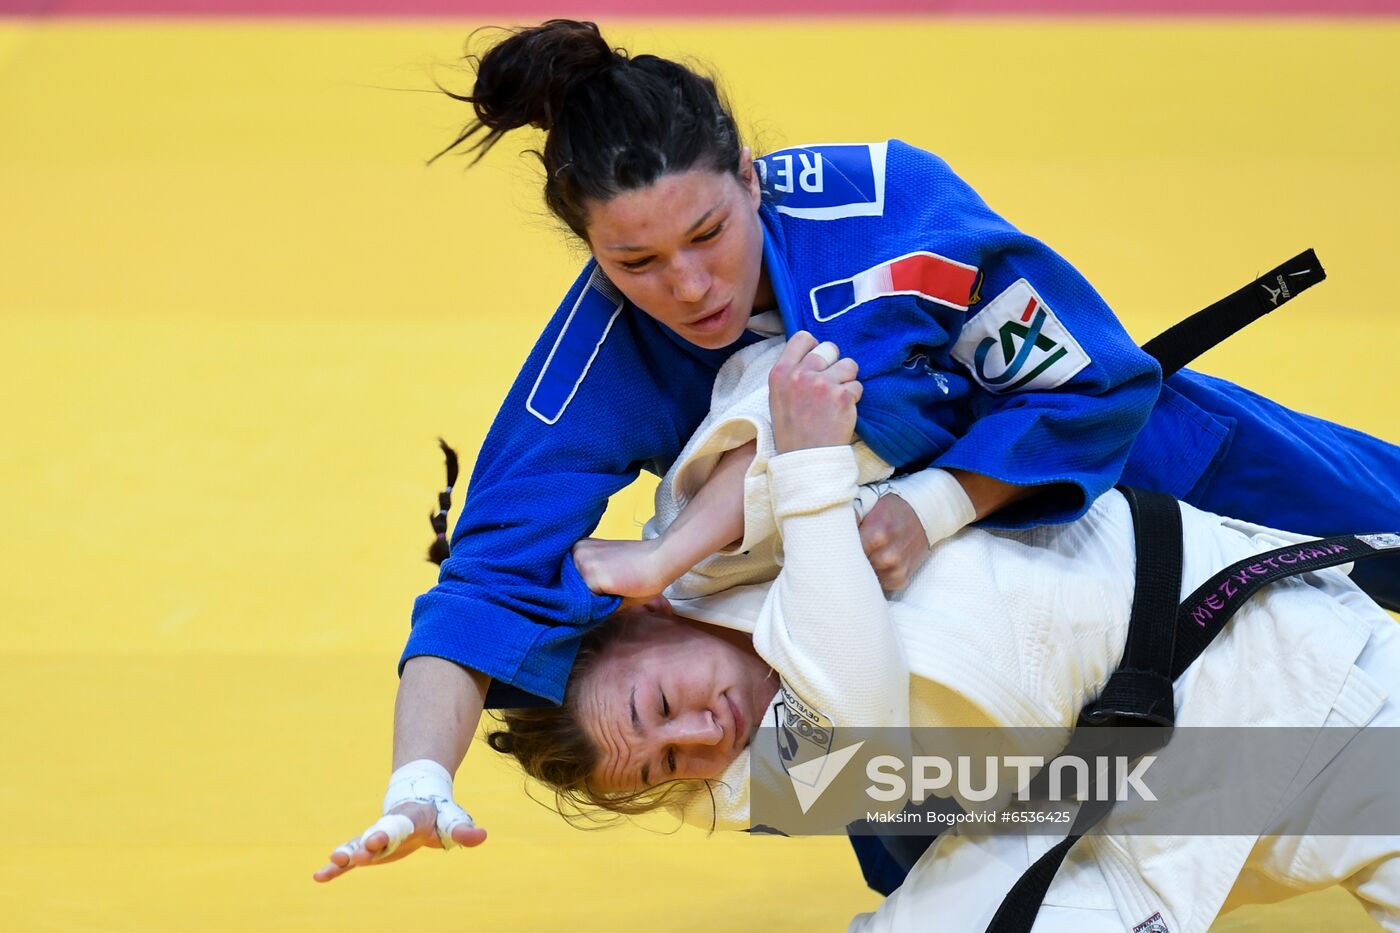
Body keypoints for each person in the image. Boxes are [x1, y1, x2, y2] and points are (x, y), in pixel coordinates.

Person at [313, 19, 1400, 884]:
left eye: (705, 235)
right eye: (634, 260)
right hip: (926, 627)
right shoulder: (597, 357)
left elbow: (1092, 380)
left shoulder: (886, 212)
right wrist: (419, 774)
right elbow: (484, 583)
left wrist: (930, 505)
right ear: (589, 248)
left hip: (1130, 465)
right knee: (918, 851)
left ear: (748, 176)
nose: (684, 287)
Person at [491, 333, 1400, 932]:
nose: (699, 736)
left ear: (640, 612)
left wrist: (689, 536)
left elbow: (800, 383)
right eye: (661, 765)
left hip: (1259, 627)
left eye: (658, 706)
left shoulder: (698, 544)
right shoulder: (757, 783)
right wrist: (817, 475)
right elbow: (852, 685)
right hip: (1151, 787)